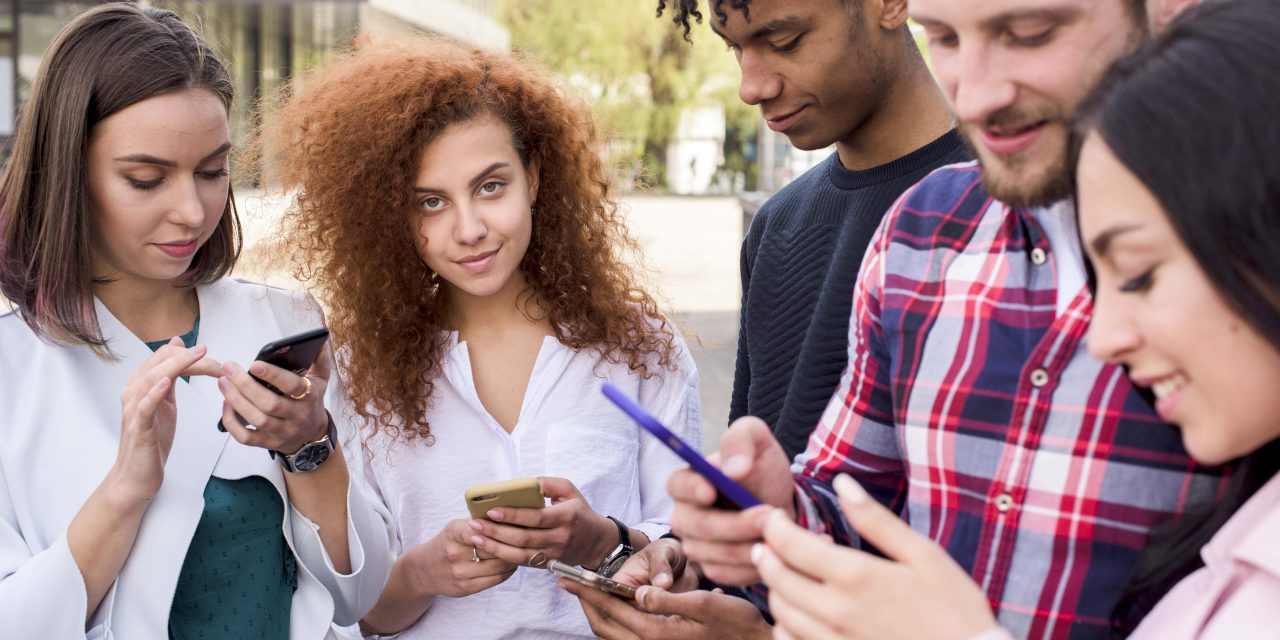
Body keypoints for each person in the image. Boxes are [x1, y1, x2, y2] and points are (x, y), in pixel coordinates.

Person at [663, 0, 1225, 637]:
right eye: (946, 39)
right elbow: (849, 506)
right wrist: (771, 514)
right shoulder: (922, 228)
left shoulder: (1236, 253)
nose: (976, 96)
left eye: (1029, 34)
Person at [259, 36, 701, 639]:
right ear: (393, 215)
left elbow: (693, 568)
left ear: (535, 178)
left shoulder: (640, 349)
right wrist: (423, 572)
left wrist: (603, 542)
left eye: (491, 186)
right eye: (431, 202)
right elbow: (358, 612)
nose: (468, 229)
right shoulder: (360, 372)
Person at [565, 0, 967, 634]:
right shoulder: (780, 224)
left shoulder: (1006, 209)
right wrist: (692, 564)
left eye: (784, 39)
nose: (753, 85)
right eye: (735, 48)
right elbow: (758, 484)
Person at [0, 4, 394, 638]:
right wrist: (126, 490)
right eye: (147, 179)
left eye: (212, 171)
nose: (191, 210)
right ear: (66, 172)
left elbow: (361, 596)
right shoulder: (14, 368)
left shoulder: (282, 319)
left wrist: (310, 447)